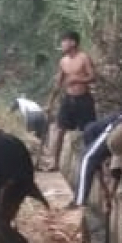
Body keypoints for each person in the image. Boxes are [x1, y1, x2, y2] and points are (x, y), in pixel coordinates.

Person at [44, 31, 97, 171]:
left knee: (88, 132)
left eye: (64, 41)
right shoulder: (63, 61)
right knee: (59, 130)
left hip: (83, 100)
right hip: (68, 99)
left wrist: (78, 79)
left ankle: (91, 163)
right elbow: (58, 83)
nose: (62, 44)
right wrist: (50, 102)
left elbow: (93, 76)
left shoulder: (84, 58)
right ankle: (54, 162)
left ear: (73, 43)